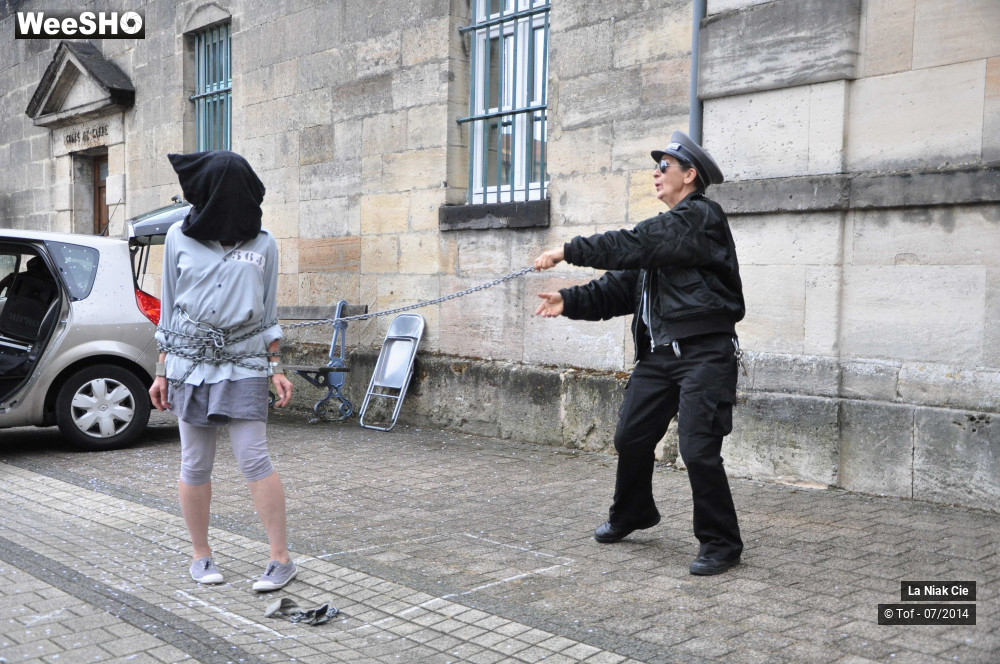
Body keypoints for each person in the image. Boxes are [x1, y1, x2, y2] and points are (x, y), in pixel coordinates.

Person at [533, 131, 745, 575]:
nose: (656, 173)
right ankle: (633, 512)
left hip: (705, 353)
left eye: (664, 166)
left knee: (698, 448)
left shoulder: (699, 218)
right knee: (630, 436)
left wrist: (568, 251)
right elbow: (618, 287)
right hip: (660, 357)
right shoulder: (665, 241)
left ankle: (721, 543)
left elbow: (633, 243)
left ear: (689, 176)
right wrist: (568, 301)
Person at [149, 150, 297, 591]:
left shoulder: (263, 242)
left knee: (254, 456)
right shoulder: (178, 237)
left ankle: (281, 558)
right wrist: (161, 371)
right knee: (195, 462)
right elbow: (169, 310)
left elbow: (268, 312)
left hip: (245, 361)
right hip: (189, 363)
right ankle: (201, 554)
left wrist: (276, 366)